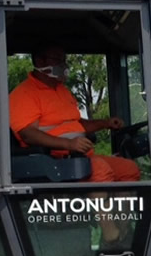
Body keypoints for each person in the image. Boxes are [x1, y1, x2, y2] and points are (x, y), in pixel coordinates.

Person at [8, 45, 141, 182]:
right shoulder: (24, 94)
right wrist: (69, 144)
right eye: (57, 59)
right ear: (40, 61)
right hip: (52, 162)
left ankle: (122, 203)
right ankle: (99, 203)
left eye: (64, 60)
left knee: (129, 169)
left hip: (79, 157)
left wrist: (105, 123)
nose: (63, 65)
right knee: (101, 171)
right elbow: (28, 134)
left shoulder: (62, 90)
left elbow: (77, 123)